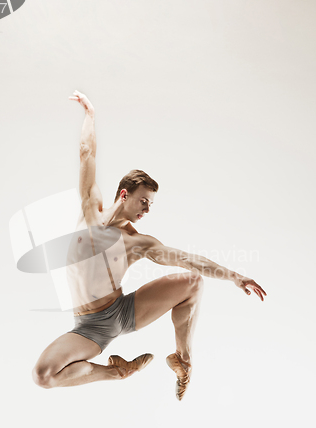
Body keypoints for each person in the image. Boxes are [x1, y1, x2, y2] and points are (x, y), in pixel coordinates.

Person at [32, 91, 267, 400]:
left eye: (151, 205)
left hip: (120, 312)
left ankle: (183, 360)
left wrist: (234, 275)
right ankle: (118, 371)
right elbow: (86, 152)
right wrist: (90, 115)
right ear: (124, 194)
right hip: (89, 327)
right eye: (144, 201)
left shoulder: (137, 242)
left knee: (192, 282)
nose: (146, 210)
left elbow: (188, 260)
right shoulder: (90, 208)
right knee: (44, 376)